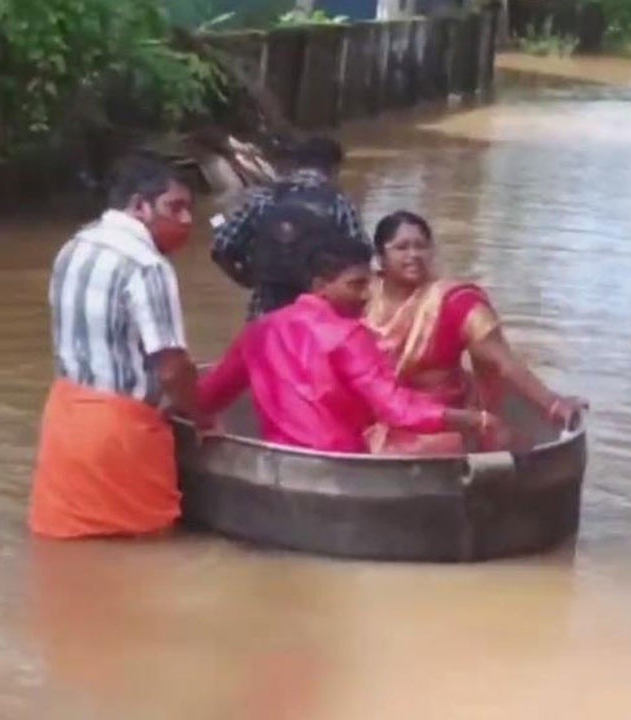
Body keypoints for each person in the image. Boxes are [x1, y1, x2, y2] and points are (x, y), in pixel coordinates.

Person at [195, 222, 507, 455]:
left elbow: (204, 398)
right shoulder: (348, 334)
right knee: (450, 444)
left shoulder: (258, 331)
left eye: (368, 284)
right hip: (341, 463)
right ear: (320, 286)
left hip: (282, 457)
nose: (366, 295)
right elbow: (398, 409)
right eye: (355, 285)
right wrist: (475, 419)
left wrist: (183, 416)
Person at [29, 154, 205, 540]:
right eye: (175, 208)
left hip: (65, 419)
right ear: (140, 206)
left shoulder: (74, 247)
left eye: (190, 209)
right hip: (120, 432)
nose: (187, 221)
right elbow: (172, 366)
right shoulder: (148, 265)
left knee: (66, 551)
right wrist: (202, 416)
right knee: (143, 553)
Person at [363, 210, 588, 455]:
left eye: (421, 246)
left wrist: (553, 403)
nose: (414, 255)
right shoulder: (361, 295)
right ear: (381, 257)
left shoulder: (455, 302)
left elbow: (503, 363)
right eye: (402, 247)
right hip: (373, 412)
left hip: (442, 421)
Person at [210, 135, 369, 320]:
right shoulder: (339, 203)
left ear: (295, 165)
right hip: (317, 319)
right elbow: (362, 259)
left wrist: (243, 278)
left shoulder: (263, 198)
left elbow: (221, 245)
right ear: (334, 168)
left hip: (266, 311)